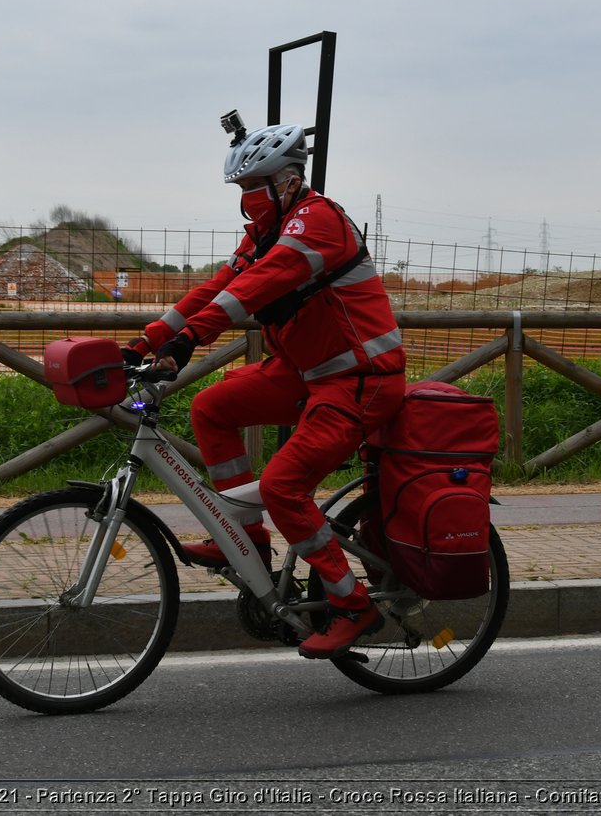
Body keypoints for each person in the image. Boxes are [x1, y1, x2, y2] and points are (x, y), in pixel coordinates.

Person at [128, 117, 405, 659]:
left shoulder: (317, 222)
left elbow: (255, 288)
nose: (246, 200)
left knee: (283, 486)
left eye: (253, 187)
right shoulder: (265, 232)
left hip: (358, 380)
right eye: (241, 190)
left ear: (287, 181)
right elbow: (218, 285)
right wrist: (145, 341)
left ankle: (352, 603)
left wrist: (188, 341)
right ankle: (246, 539)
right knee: (212, 407)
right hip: (306, 373)